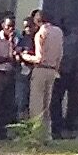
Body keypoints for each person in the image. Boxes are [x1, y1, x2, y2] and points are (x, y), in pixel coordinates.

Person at [22, 9, 62, 141]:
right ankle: (47, 135)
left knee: (36, 104)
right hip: (53, 70)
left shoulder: (41, 33)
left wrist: (25, 56)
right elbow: (60, 54)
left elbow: (39, 58)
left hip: (41, 69)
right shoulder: (58, 32)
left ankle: (36, 135)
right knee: (47, 104)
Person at [0, 13, 18, 141]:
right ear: (3, 26)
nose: (11, 29)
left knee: (7, 105)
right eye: (8, 26)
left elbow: (15, 58)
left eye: (13, 26)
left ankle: (2, 132)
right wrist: (7, 59)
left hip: (10, 74)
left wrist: (11, 43)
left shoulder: (15, 39)